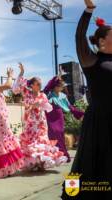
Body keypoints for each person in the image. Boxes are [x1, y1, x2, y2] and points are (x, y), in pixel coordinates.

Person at [62, 0, 112, 199]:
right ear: (102, 41)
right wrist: (88, 11)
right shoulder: (91, 59)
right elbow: (79, 36)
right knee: (87, 160)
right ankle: (74, 193)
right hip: (99, 119)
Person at [12, 63, 67, 171]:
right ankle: (33, 163)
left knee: (41, 143)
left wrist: (40, 105)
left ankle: (42, 163)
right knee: (31, 143)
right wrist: (22, 72)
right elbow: (16, 88)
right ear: (32, 85)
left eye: (40, 83)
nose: (40, 85)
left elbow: (48, 108)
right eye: (38, 84)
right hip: (30, 123)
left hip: (41, 123)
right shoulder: (26, 93)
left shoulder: (43, 95)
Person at [44, 75, 84, 162]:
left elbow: (70, 107)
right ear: (55, 86)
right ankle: (54, 156)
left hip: (59, 117)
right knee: (52, 134)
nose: (62, 88)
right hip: (50, 117)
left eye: (63, 86)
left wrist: (80, 113)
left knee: (60, 135)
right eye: (61, 86)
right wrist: (55, 77)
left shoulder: (63, 96)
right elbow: (46, 88)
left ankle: (63, 155)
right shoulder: (49, 94)